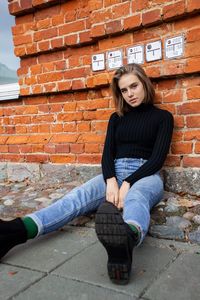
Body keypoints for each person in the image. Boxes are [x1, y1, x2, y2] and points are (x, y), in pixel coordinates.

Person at [0, 63, 174, 285]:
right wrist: (111, 180)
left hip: (146, 175)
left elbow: (157, 160)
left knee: (137, 198)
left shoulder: (163, 117)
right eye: (124, 90)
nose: (130, 94)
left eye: (134, 86)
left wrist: (128, 183)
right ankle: (14, 231)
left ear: (144, 85)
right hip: (115, 171)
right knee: (77, 197)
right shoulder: (116, 118)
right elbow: (107, 155)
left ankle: (128, 237)